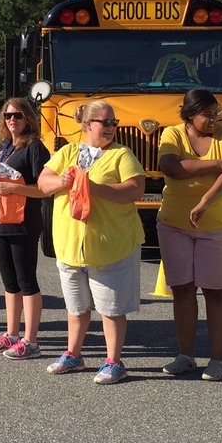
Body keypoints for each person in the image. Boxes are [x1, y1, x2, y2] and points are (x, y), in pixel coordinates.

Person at [37, 101, 145, 384]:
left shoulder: (122, 154)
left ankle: (114, 362)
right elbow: (42, 183)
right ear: (87, 125)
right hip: (71, 246)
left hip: (110, 246)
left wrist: (94, 188)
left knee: (110, 309)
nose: (111, 128)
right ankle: (73, 355)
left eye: (113, 122)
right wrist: (63, 180)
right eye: (105, 122)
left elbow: (136, 188)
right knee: (76, 307)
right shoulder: (69, 151)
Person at [156, 89, 222, 381]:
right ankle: (186, 355)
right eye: (207, 113)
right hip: (173, 224)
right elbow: (170, 167)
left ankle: (217, 360)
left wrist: (205, 202)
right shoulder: (171, 134)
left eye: (216, 112)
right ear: (189, 114)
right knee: (182, 289)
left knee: (216, 291)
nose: (214, 118)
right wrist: (217, 164)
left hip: (219, 225)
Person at [0, 98, 51, 360]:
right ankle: (11, 334)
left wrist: (15, 188)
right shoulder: (4, 147)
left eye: (18, 115)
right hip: (0, 222)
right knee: (10, 283)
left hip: (23, 224)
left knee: (27, 281)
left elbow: (45, 189)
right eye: (8, 115)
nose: (12, 120)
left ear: (28, 118)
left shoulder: (34, 148)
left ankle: (31, 341)